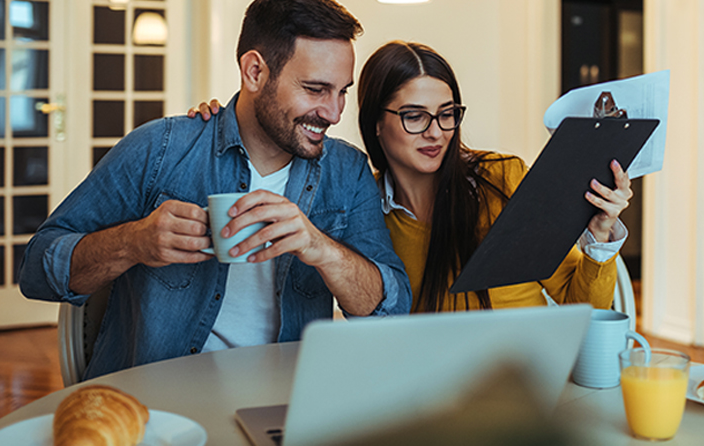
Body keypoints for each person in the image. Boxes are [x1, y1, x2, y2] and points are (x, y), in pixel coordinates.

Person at [19, 0, 412, 380]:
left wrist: (319, 247)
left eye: (342, 92)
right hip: (161, 404)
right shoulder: (161, 150)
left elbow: (392, 308)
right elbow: (38, 269)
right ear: (254, 72)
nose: (334, 112)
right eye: (315, 89)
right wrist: (134, 242)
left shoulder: (347, 171)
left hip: (288, 401)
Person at [191, 40, 631, 313]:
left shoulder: (502, 178)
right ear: (376, 123)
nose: (436, 132)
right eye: (415, 116)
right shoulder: (362, 209)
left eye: (446, 115)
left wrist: (600, 237)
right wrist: (223, 119)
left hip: (526, 377)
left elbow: (583, 306)